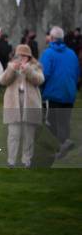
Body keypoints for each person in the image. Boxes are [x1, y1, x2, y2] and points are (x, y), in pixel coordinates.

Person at [0, 45, 44, 167]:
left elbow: (40, 80)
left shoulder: (36, 66)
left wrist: (28, 70)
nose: (21, 58)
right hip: (13, 102)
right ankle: (11, 160)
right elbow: (3, 81)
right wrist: (11, 70)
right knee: (13, 133)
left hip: (30, 102)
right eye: (19, 55)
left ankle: (26, 160)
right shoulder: (11, 65)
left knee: (28, 133)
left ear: (29, 56)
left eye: (24, 55)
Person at [40, 26, 81, 159]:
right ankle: (64, 146)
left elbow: (43, 74)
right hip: (69, 93)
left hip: (53, 94)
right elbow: (76, 73)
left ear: (51, 38)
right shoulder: (72, 53)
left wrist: (39, 89)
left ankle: (60, 146)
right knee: (64, 121)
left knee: (52, 123)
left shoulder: (48, 53)